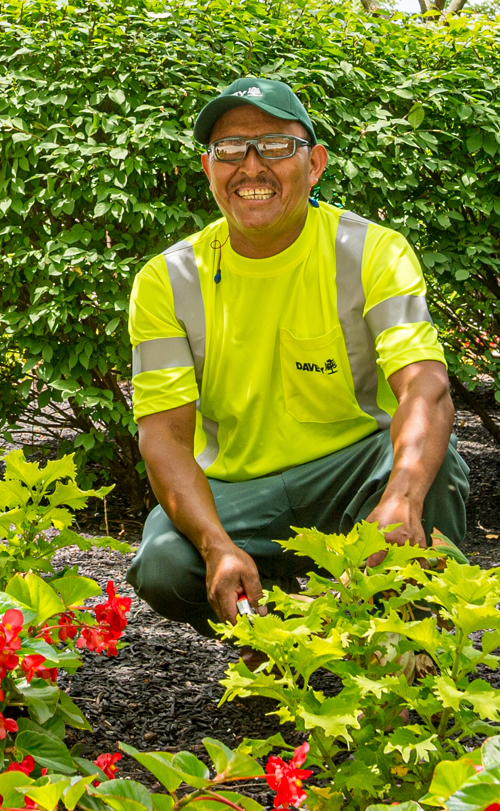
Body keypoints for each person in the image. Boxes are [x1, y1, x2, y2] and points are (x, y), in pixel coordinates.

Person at [125, 76, 469, 633]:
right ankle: (267, 640)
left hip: (354, 470)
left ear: (314, 165)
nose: (251, 167)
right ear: (208, 169)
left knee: (432, 470)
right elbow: (162, 434)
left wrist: (402, 496)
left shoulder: (370, 251)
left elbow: (423, 386)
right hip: (241, 489)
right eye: (230, 150)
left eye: (277, 147)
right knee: (165, 561)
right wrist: (216, 545)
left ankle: (412, 651)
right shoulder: (167, 279)